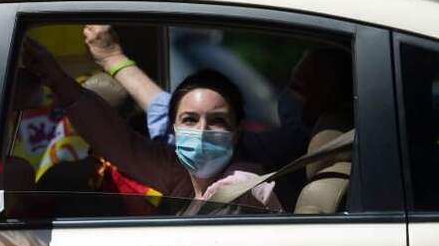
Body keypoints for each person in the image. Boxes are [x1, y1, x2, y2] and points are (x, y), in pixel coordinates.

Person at [22, 38, 280, 210]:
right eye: (190, 119)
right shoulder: (180, 177)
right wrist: (55, 78)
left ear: (236, 134)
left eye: (218, 121)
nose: (201, 132)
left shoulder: (243, 189)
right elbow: (117, 142)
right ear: (173, 128)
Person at [82, 24, 352, 171]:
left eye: (298, 85)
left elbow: (166, 115)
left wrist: (112, 59)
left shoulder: (268, 164)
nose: (201, 133)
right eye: (189, 120)